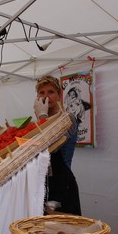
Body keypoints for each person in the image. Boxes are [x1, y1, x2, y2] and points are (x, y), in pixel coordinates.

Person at [33, 75, 81, 216]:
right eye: (42, 93)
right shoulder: (38, 123)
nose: (46, 96)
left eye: (51, 92)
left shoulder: (68, 119)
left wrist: (42, 116)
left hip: (63, 186)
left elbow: (51, 145)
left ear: (59, 95)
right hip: (44, 186)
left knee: (66, 233)